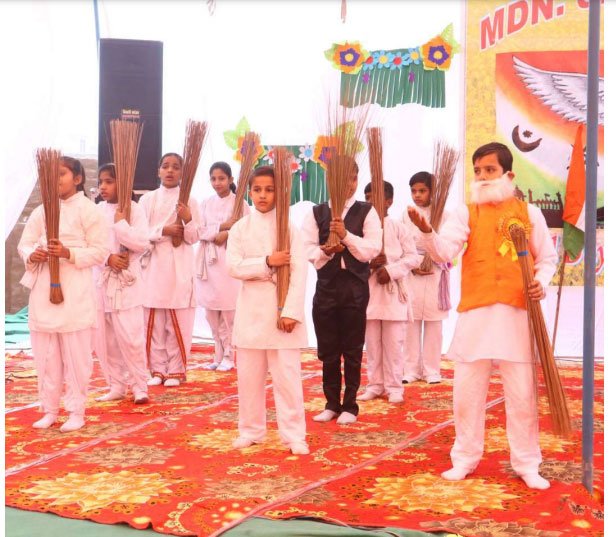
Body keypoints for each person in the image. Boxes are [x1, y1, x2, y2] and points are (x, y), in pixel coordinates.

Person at [408, 142, 557, 490]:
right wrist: (427, 232)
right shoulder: (466, 212)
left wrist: (540, 282)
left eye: (490, 170)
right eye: (478, 171)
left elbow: (547, 259)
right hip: (476, 314)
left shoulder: (529, 213)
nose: (483, 177)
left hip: (517, 314)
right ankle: (464, 458)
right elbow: (445, 251)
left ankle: (527, 463)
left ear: (509, 174)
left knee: (522, 395)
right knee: (467, 393)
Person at [18, 156, 108, 432]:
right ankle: (49, 409)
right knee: (45, 355)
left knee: (76, 357)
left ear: (77, 179)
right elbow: (25, 244)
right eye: (51, 174)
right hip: (44, 289)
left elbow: (100, 251)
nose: (55, 179)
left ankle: (76, 411)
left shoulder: (89, 210)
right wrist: (33, 254)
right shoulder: (42, 210)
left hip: (75, 290)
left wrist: (68, 252)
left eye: (61, 174)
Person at [226, 166, 309, 455]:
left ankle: (294, 434)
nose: (263, 195)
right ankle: (251, 430)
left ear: (280, 193)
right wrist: (267, 262)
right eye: (258, 189)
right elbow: (233, 266)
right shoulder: (240, 228)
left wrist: (291, 311)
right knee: (249, 378)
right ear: (249, 192)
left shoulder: (289, 229)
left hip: (281, 313)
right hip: (250, 312)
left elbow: (300, 272)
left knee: (287, 378)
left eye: (269, 190)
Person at [302, 157, 382, 425]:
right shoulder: (317, 212)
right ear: (330, 180)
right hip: (326, 287)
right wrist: (325, 252)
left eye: (353, 178)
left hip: (355, 287)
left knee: (352, 348)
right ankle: (331, 404)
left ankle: (350, 406)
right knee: (328, 348)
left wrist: (345, 236)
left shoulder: (366, 211)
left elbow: (372, 249)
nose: (348, 184)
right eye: (342, 178)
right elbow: (305, 248)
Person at [138, 153, 200, 387]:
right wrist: (164, 230)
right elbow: (139, 234)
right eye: (165, 166)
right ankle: (157, 369)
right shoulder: (147, 200)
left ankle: (176, 370)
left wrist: (188, 219)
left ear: (183, 172)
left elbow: (194, 237)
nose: (170, 171)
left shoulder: (190, 200)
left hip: (179, 266)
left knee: (177, 323)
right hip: (153, 267)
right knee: (154, 323)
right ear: (158, 171)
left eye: (175, 167)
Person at [358, 181, 421, 404]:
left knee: (394, 345)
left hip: (393, 295)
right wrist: (370, 266)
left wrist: (390, 270)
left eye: (375, 198)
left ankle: (394, 387)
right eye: (367, 198)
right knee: (372, 345)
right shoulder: (361, 229)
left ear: (389, 201)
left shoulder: (399, 228)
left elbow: (413, 258)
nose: (370, 202)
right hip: (369, 293)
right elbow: (354, 258)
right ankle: (375, 385)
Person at [92, 163, 150, 404]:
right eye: (101, 182)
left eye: (109, 181)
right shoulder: (96, 211)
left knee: (131, 336)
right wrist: (108, 258)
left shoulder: (135, 209)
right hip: (101, 279)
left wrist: (120, 224)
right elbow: (89, 245)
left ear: (123, 183)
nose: (103, 187)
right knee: (106, 339)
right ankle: (116, 384)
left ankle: (139, 385)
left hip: (127, 281)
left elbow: (143, 242)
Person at [195, 162, 249, 372]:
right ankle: (217, 354)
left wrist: (227, 234)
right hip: (207, 262)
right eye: (213, 179)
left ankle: (229, 355)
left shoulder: (239, 203)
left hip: (228, 261)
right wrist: (223, 227)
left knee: (228, 313)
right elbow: (198, 231)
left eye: (221, 178)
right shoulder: (206, 203)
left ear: (231, 180)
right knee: (211, 312)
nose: (217, 183)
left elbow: (246, 230)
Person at [402, 171, 451, 384]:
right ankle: (410, 370)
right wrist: (413, 264)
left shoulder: (445, 215)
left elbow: (448, 246)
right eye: (413, 191)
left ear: (433, 191)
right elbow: (401, 244)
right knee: (411, 324)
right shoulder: (406, 215)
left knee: (434, 324)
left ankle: (432, 370)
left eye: (422, 191)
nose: (417, 195)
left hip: (435, 273)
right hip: (411, 272)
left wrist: (432, 259)